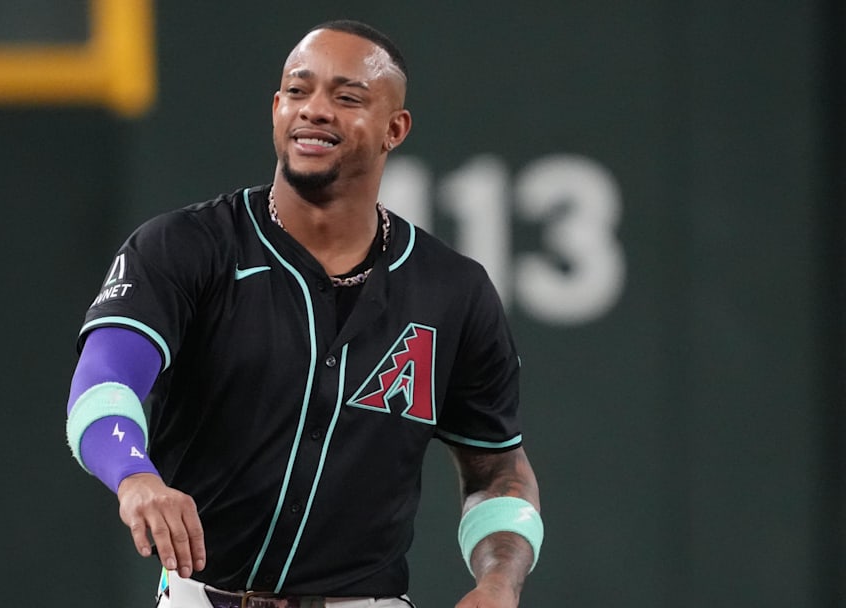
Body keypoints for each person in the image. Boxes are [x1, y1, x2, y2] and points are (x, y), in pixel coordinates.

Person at [66, 19, 542, 608]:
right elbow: (104, 382)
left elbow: (496, 469)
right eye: (298, 90)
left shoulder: (453, 290)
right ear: (275, 108)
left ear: (395, 128)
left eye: (346, 97)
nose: (314, 110)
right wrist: (134, 475)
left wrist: (500, 581)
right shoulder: (184, 246)